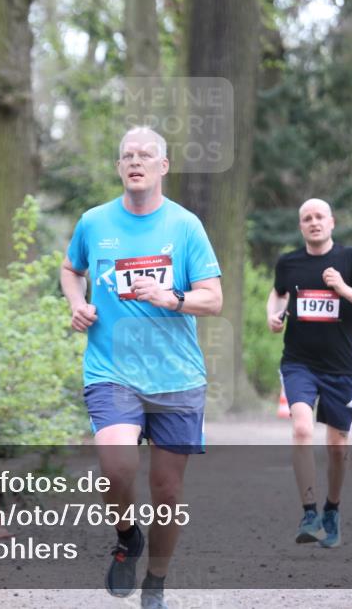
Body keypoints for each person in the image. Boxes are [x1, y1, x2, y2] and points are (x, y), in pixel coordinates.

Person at [60, 126, 222, 609]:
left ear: (163, 166)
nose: (135, 161)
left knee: (167, 491)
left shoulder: (185, 226)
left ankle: (156, 581)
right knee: (117, 465)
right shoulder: (94, 221)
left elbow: (213, 300)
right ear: (119, 168)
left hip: (176, 378)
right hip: (112, 371)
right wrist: (77, 301)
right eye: (127, 155)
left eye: (145, 155)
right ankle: (127, 535)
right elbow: (72, 269)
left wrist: (172, 298)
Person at [266, 198, 352, 549]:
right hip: (299, 362)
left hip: (341, 368)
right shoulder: (289, 262)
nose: (313, 222)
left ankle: (332, 509)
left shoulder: (351, 259)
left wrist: (344, 289)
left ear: (332, 222)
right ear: (301, 226)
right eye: (306, 218)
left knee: (337, 446)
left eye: (319, 217)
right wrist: (273, 314)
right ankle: (309, 512)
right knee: (302, 428)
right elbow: (278, 293)